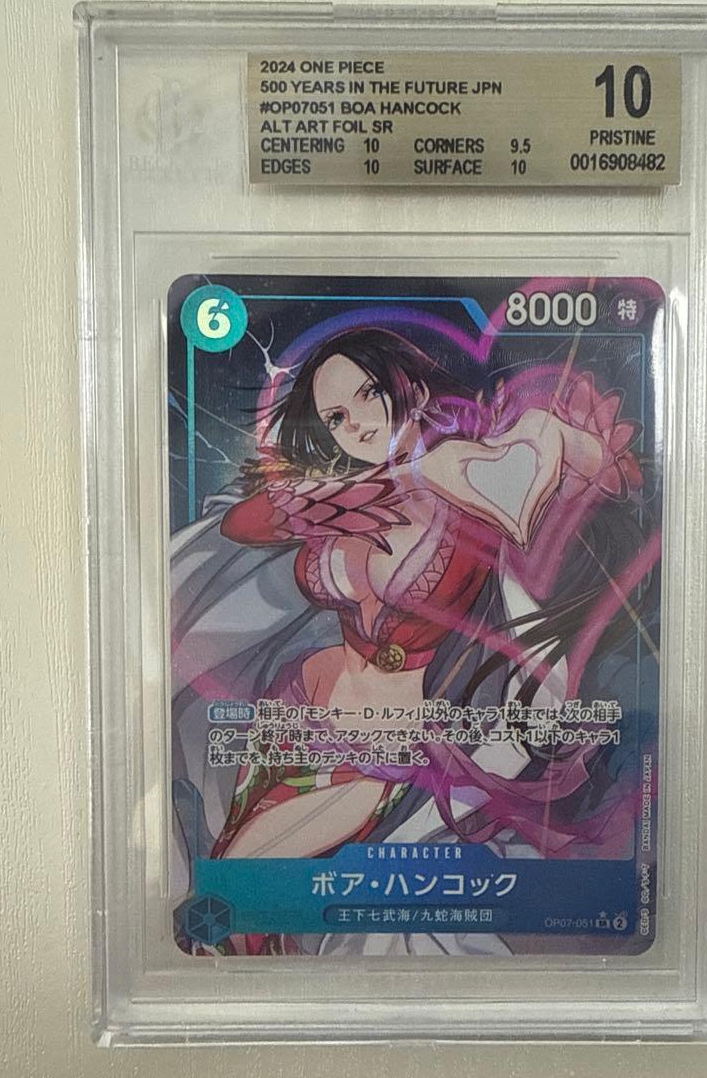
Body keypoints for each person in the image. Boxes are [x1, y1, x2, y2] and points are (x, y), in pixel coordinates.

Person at [170, 327, 653, 955]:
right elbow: (246, 523)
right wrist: (370, 488)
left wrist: (540, 454)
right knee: (253, 908)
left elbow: (590, 471)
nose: (356, 424)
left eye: (369, 393)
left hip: (388, 747)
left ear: (415, 388)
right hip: (299, 707)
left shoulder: (467, 476)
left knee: (239, 888)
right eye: (335, 417)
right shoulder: (349, 494)